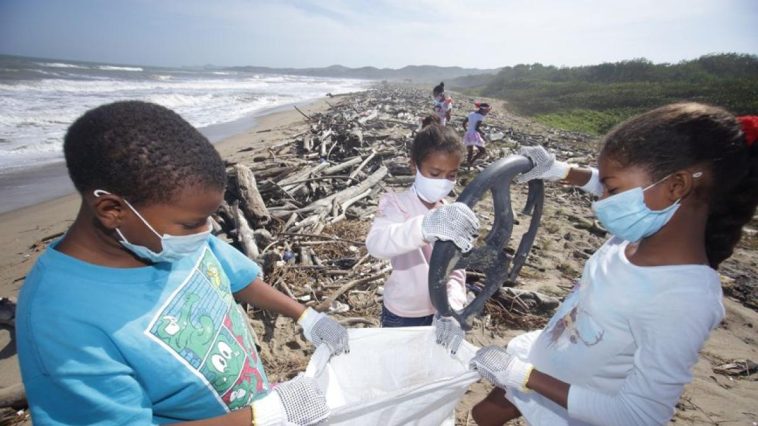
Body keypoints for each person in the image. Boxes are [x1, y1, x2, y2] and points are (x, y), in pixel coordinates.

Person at [15, 101, 350, 426]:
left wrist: (306, 316)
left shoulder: (170, 242)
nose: (205, 233)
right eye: (192, 224)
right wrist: (261, 418)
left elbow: (238, 278)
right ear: (112, 210)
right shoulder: (61, 319)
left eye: (208, 219)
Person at [466, 103, 758, 425]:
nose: (602, 202)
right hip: (548, 357)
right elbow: (625, 186)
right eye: (604, 188)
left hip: (577, 401)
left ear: (676, 187)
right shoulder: (642, 230)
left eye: (612, 190)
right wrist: (562, 171)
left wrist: (523, 376)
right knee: (483, 414)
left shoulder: (683, 299)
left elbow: (639, 415)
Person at [365, 124, 478, 352]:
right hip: (402, 314)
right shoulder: (396, 203)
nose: (443, 182)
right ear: (414, 166)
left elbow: (456, 269)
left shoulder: (450, 212)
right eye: (434, 174)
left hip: (440, 313)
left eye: (452, 175)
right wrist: (425, 227)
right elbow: (376, 244)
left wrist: (452, 307)